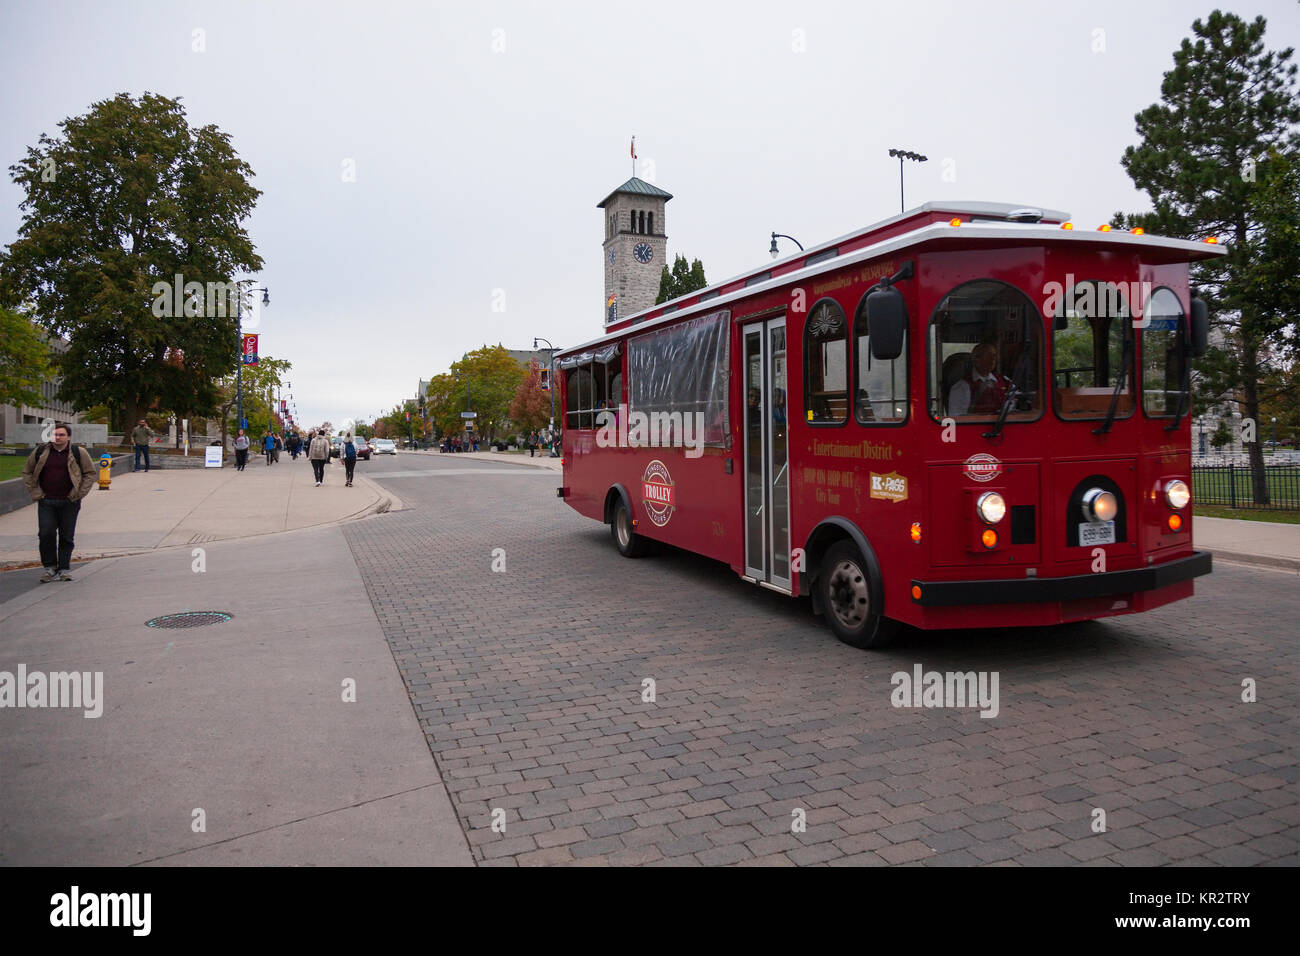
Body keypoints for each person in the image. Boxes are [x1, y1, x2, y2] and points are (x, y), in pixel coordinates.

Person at [22, 423, 97, 582]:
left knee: (66, 536)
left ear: (68, 437)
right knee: (46, 533)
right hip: (47, 501)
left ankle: (63, 568)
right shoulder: (41, 452)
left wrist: (78, 494)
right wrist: (36, 492)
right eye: (55, 435)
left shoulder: (78, 452)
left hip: (69, 501)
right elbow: (27, 472)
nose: (57, 437)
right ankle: (50, 568)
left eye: (61, 435)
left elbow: (90, 473)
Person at [948, 343, 1014, 416]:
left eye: (994, 355)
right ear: (976, 359)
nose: (993, 359)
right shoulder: (961, 387)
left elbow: (1016, 400)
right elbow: (956, 418)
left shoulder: (1005, 381)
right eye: (988, 355)